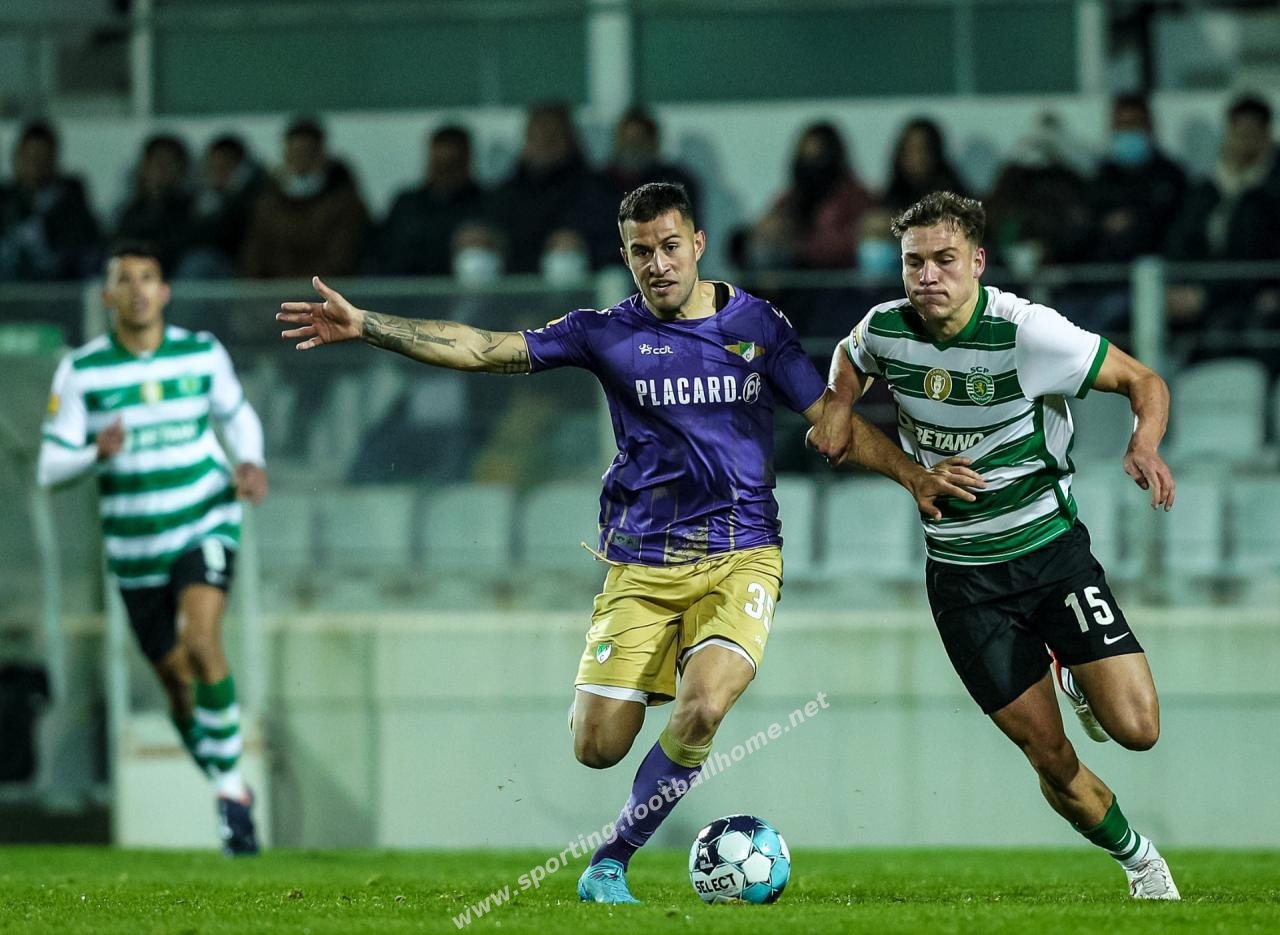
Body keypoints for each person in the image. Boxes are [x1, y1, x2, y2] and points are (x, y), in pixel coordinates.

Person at [278, 182, 978, 903]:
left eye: (670, 246)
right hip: (642, 562)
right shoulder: (603, 332)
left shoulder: (758, 325)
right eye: (642, 252)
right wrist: (368, 325)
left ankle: (609, 862)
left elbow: (830, 417)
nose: (658, 264)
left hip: (743, 553)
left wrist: (913, 476)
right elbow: (484, 348)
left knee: (703, 709)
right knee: (597, 747)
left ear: (698, 244)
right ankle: (626, 678)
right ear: (625, 256)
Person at [811, 191, 1181, 900]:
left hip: (1050, 556)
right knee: (1049, 754)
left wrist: (1145, 444)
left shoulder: (1027, 333)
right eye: (913, 262)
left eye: (944, 260)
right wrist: (839, 401)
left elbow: (1144, 380)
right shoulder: (886, 328)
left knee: (1138, 728)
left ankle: (1069, 667)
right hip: (963, 581)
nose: (927, 276)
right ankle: (1139, 861)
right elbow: (849, 357)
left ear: (978, 261)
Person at [37, 241, 268, 856]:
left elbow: (238, 415)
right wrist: (95, 452)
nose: (138, 290)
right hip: (135, 547)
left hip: (203, 518)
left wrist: (250, 460)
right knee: (175, 684)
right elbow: (50, 467)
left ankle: (230, 797)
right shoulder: (82, 370)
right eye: (125, 280)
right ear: (107, 296)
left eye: (148, 278)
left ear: (164, 292)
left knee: (201, 640)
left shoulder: (201, 352)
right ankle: (230, 785)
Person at [242, 117, 369, 278]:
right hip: (274, 290)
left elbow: (341, 258)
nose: (299, 162)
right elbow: (254, 257)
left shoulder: (345, 203)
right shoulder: (267, 203)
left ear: (321, 155)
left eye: (306, 154)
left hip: (324, 289)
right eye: (293, 154)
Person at [376, 124, 491, 276]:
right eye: (438, 165)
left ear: (467, 162)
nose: (444, 174)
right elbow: (385, 256)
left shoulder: (489, 205)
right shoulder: (406, 205)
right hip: (409, 288)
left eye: (451, 166)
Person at [0, 120, 101, 281]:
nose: (35, 165)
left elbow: (84, 247)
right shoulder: (5, 198)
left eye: (42, 157)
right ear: (17, 158)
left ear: (54, 159)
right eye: (30, 157)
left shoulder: (71, 197)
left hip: (59, 286)